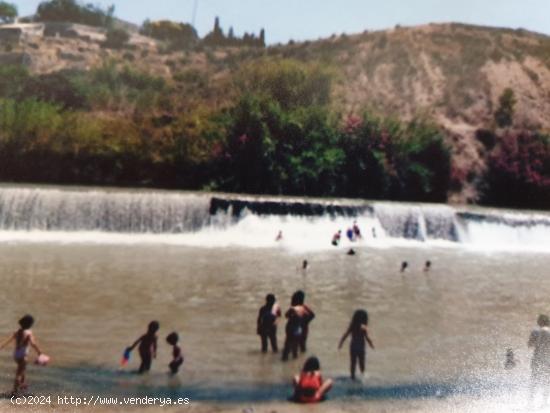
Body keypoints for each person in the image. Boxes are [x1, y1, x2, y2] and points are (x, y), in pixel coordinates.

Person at [0, 315, 43, 395]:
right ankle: (15, 391)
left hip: (16, 354)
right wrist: (39, 352)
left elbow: (8, 340)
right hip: (23, 355)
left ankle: (22, 387)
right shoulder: (28, 332)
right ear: (30, 324)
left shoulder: (17, 331)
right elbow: (33, 343)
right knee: (19, 374)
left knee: (22, 371)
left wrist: (1, 346)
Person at [338, 309, 375, 380]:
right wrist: (371, 345)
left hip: (353, 347)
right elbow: (367, 338)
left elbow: (345, 335)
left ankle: (352, 377)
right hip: (361, 348)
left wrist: (341, 343)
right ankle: (362, 375)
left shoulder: (352, 326)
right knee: (362, 362)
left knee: (353, 363)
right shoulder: (363, 328)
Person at [282, 291, 314, 360]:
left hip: (292, 327)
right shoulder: (304, 307)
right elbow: (312, 315)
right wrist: (305, 321)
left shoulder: (293, 308)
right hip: (301, 328)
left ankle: (286, 359)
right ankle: (298, 359)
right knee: (300, 345)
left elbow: (286, 315)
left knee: (288, 344)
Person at [528, 314, 550, 404]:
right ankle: (544, 401)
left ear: (540, 322)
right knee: (547, 380)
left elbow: (530, 345)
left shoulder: (536, 331)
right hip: (548, 359)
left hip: (537, 358)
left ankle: (531, 401)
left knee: (534, 379)